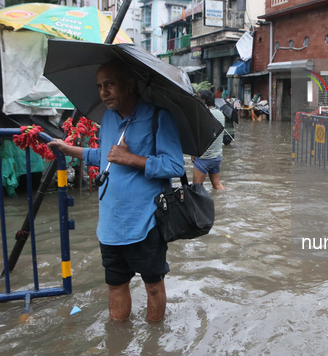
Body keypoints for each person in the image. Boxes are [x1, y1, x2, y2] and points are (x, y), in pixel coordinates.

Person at [48, 60, 185, 322]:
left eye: (110, 84)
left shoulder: (158, 116)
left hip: (146, 222)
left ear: (130, 85)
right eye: (100, 86)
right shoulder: (107, 119)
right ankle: (118, 342)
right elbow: (105, 156)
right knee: (115, 286)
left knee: (153, 287)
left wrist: (132, 158)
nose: (103, 92)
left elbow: (175, 165)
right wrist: (69, 150)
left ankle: (153, 344)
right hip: (110, 224)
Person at [192, 89, 226, 190]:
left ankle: (200, 206)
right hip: (217, 156)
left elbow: (196, 136)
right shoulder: (220, 114)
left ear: (204, 100)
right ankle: (225, 199)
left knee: (196, 188)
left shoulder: (202, 115)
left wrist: (193, 155)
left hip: (203, 158)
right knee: (217, 184)